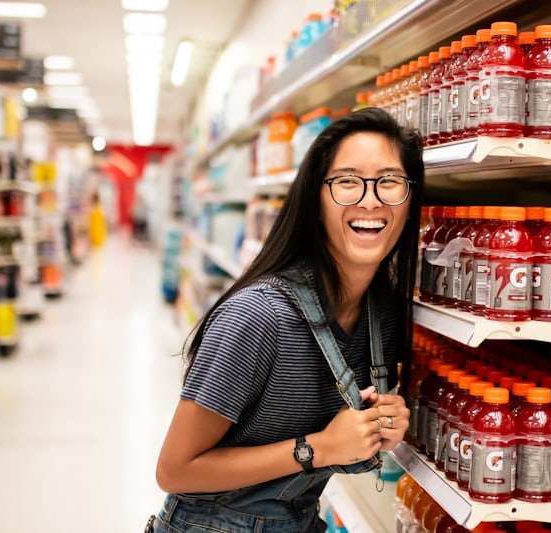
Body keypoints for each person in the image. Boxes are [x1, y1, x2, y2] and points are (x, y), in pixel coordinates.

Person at [152, 107, 424, 532]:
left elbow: (334, 451)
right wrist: (317, 448)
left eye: (389, 182)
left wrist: (374, 430)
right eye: (348, 181)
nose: (370, 200)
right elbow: (175, 470)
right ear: (315, 200)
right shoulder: (258, 317)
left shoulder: (382, 315)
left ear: (410, 201)